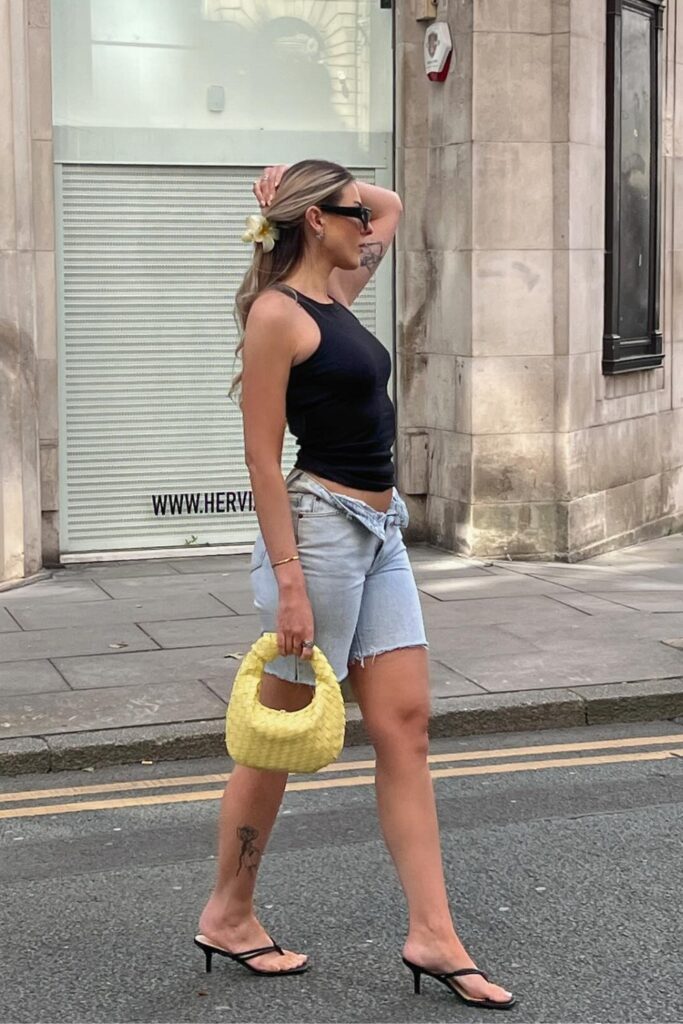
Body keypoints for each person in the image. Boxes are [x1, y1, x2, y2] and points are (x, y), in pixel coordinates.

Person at [195, 160, 516, 1011]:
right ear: (316, 225)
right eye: (346, 214)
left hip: (380, 536)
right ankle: (229, 912)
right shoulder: (279, 314)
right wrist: (290, 584)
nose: (364, 227)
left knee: (404, 725)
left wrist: (301, 184)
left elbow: (393, 203)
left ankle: (433, 935)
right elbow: (261, 460)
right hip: (320, 540)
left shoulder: (340, 294)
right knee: (279, 734)